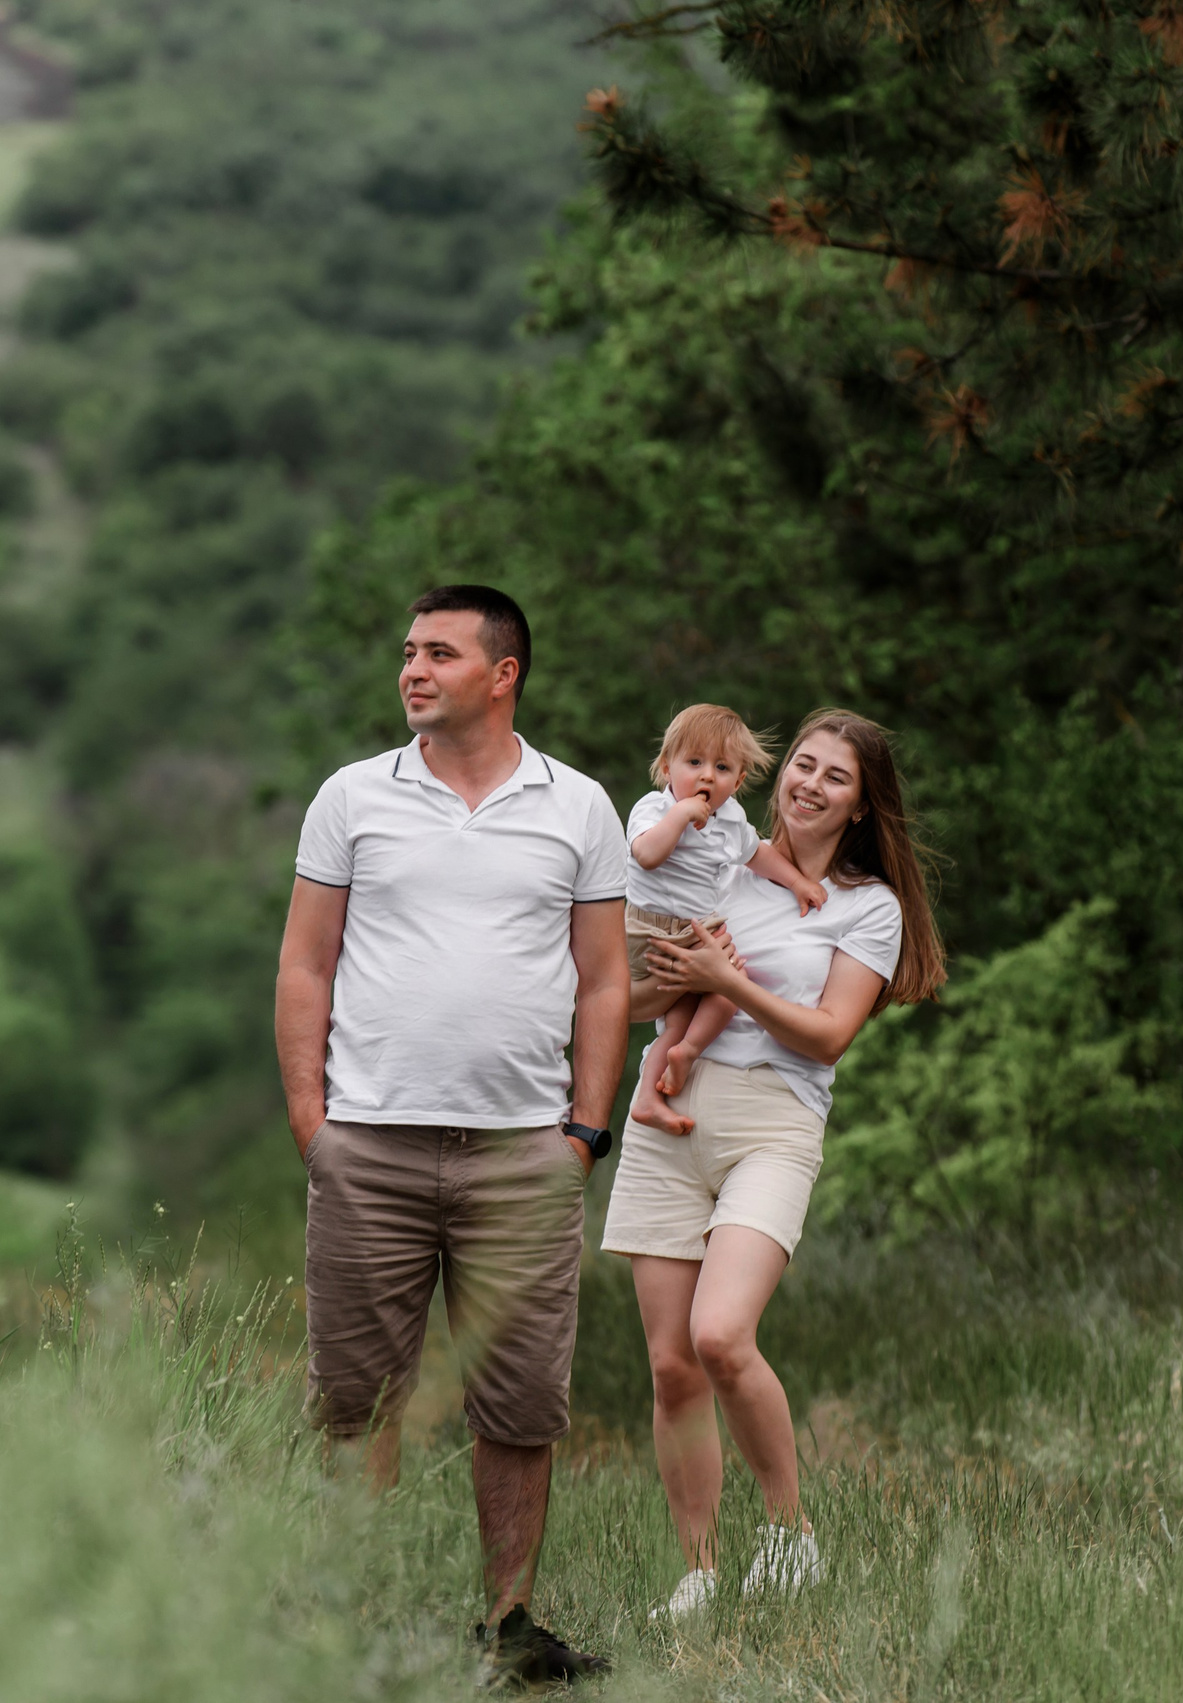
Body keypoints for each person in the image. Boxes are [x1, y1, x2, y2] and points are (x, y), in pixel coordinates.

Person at [274, 584, 630, 1686]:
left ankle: (509, 1626)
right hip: (368, 1144)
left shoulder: (578, 805)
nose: (411, 670)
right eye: (406, 653)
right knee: (354, 1393)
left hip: (523, 1149)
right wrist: (312, 1124)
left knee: (519, 1398)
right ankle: (355, 1615)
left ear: (502, 671)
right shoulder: (351, 796)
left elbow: (607, 980)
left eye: (437, 652)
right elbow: (305, 963)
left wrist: (581, 1130)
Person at [599, 708, 946, 1622]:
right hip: (670, 1111)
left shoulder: (870, 907)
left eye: (835, 776)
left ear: (864, 803)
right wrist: (675, 985)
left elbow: (830, 1037)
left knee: (721, 1335)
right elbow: (630, 998)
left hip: (774, 1122)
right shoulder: (716, 854)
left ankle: (791, 1538)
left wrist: (728, 983)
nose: (809, 784)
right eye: (801, 764)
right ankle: (702, 1571)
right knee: (672, 1366)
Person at [622, 704, 827, 1139]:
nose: (706, 777)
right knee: (705, 987)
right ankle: (673, 1060)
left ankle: (670, 1070)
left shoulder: (731, 819)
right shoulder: (655, 809)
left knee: (728, 990)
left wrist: (796, 882)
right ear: (666, 767)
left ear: (737, 782)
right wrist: (678, 818)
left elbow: (758, 854)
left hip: (699, 929)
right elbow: (647, 855)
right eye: (693, 763)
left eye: (721, 768)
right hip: (649, 929)